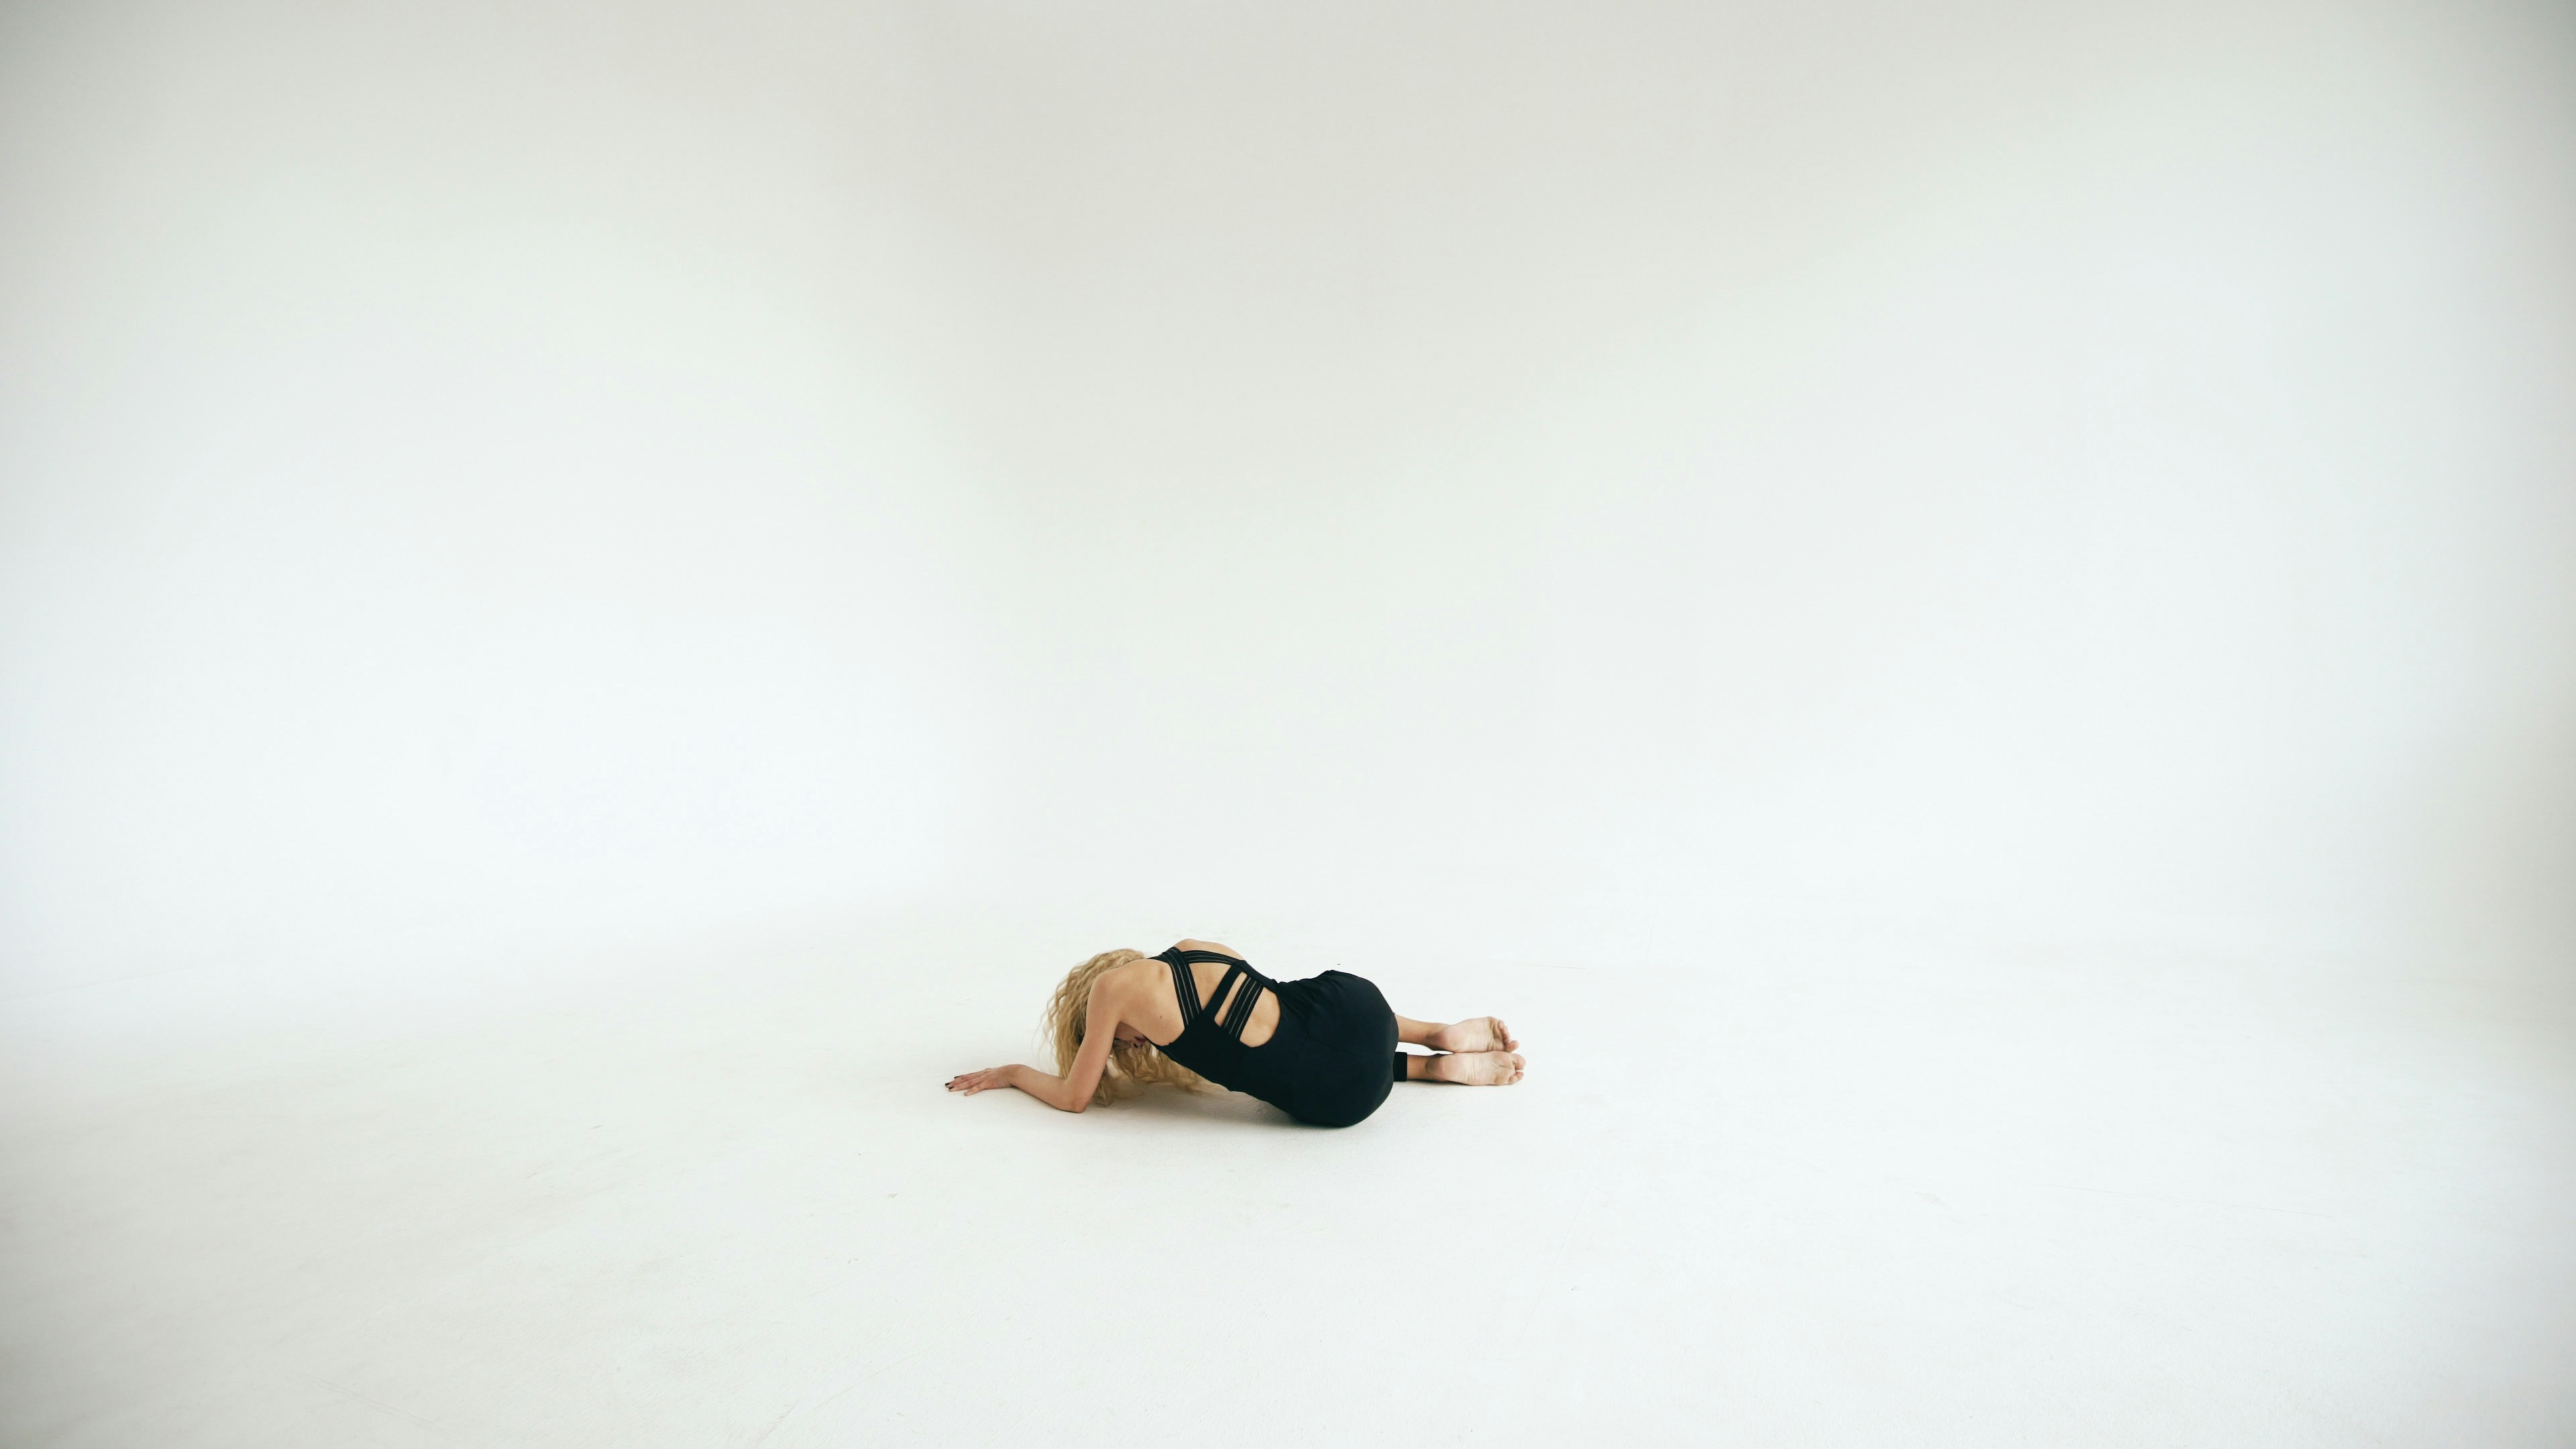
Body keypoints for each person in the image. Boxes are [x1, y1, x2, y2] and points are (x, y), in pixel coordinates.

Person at [945, 939, 1525, 1127]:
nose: (1132, 1046)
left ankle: (1428, 1069)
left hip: (1346, 1099)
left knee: (1297, 1064)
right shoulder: (1193, 948)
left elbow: (1075, 1098)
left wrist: (1013, 1073)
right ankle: (1437, 1040)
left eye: (1116, 1042)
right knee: (1312, 1007)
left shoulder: (1111, 996)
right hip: (1364, 1007)